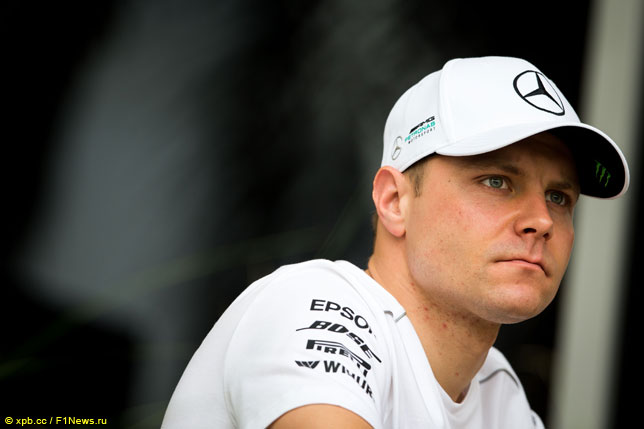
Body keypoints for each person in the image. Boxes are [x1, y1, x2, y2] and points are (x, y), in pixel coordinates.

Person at [161, 56, 629, 428]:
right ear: (394, 201)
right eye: (496, 181)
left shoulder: (498, 395)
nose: (542, 220)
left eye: (559, 197)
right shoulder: (313, 302)